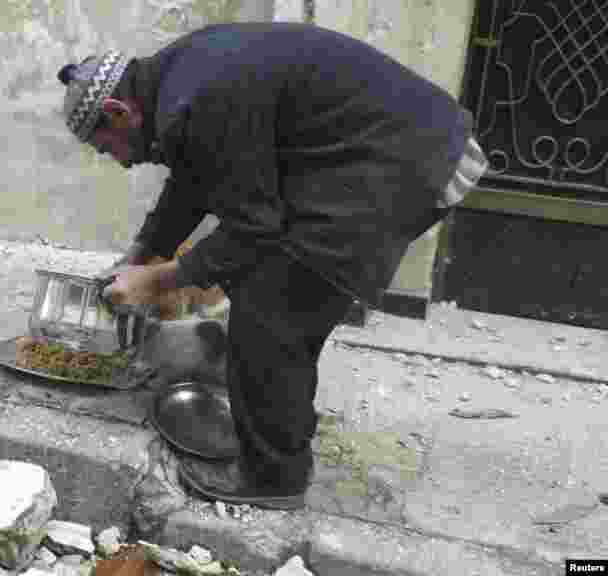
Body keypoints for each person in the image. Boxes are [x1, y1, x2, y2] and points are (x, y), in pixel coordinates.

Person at [56, 22, 488, 509]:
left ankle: (274, 479)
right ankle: (284, 428)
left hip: (409, 160)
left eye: (105, 147)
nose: (115, 160)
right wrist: (142, 253)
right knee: (275, 295)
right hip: (401, 147)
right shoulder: (177, 77)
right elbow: (195, 177)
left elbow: (253, 229)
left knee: (271, 312)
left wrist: (157, 279)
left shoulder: (197, 99)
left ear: (118, 112)